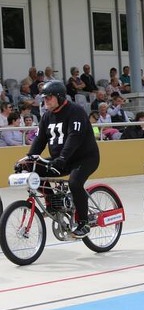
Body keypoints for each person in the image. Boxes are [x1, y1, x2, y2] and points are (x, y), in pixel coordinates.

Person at [27, 80, 100, 238]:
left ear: (59, 97)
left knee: (75, 183)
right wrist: (28, 159)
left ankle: (84, 223)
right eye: (44, 98)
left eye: (49, 97)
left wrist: (62, 158)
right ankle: (52, 202)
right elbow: (39, 141)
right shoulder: (47, 116)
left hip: (85, 158)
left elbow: (74, 137)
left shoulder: (75, 111)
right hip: (61, 160)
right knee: (33, 169)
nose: (45, 101)